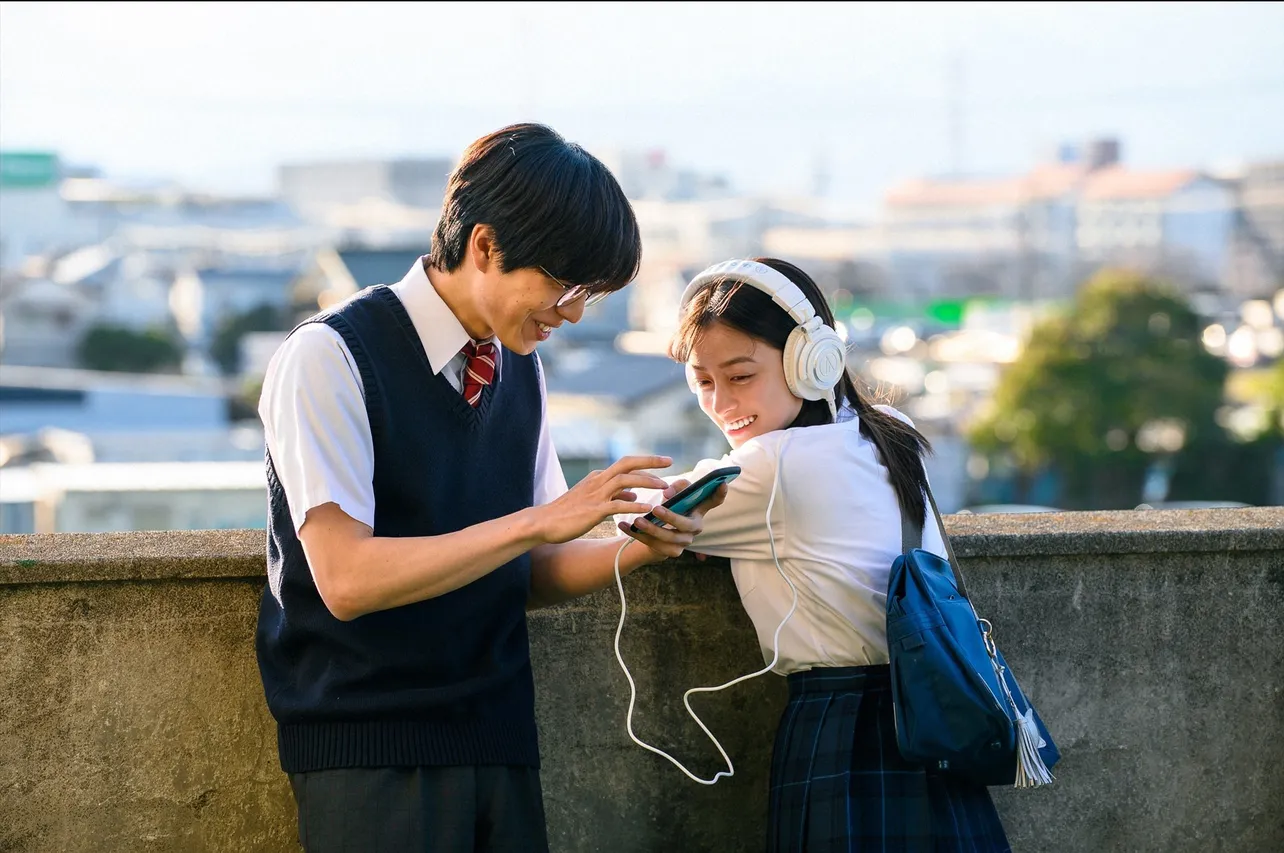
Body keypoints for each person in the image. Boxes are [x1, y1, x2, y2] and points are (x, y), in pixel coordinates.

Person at [254, 122, 725, 853]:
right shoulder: (329, 357)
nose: (571, 312)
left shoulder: (517, 369)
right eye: (565, 285)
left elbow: (528, 568)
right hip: (371, 746)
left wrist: (639, 546)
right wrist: (538, 521)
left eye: (588, 295)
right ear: (483, 246)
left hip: (499, 732)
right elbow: (345, 577)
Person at [619, 257, 1011, 852]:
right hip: (928, 715)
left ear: (812, 362)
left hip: (843, 724)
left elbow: (641, 517)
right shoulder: (892, 431)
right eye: (703, 382)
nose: (721, 402)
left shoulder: (771, 467)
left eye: (740, 375)